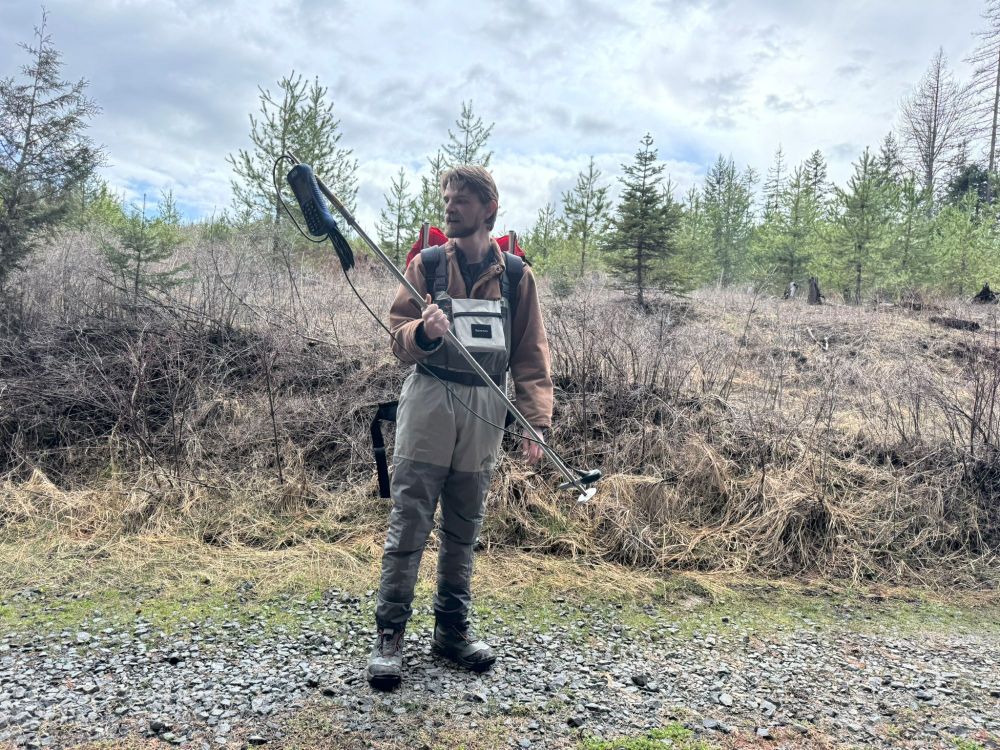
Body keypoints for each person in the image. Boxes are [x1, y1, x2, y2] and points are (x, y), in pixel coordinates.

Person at [366, 165, 553, 689]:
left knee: (463, 527)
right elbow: (396, 335)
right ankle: (390, 638)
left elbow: (532, 356)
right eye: (447, 197)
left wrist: (535, 423)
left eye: (463, 200)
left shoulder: (517, 277)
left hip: (486, 410)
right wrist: (422, 333)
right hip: (428, 402)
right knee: (409, 522)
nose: (450, 207)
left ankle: (451, 633)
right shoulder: (426, 266)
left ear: (489, 209)